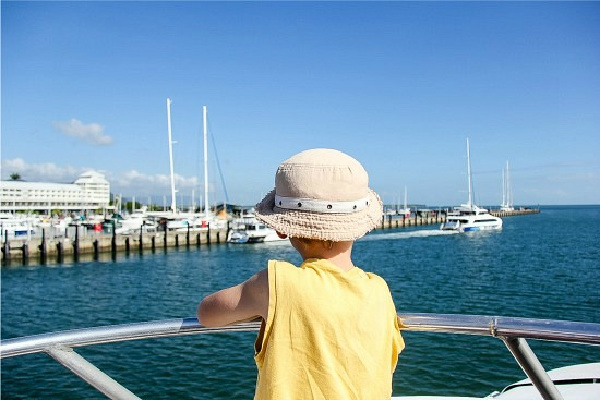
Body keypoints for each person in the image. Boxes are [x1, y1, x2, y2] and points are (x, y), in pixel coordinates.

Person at [197, 148, 404, 399]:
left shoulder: (276, 284)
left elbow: (207, 313)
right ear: (359, 228)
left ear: (282, 230)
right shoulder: (379, 290)